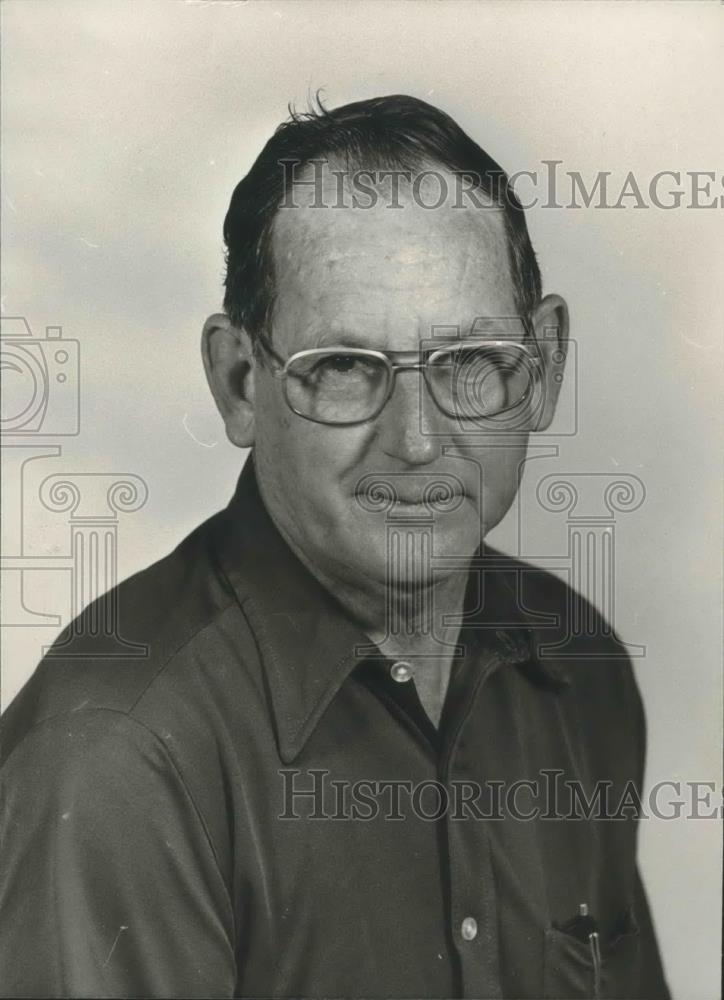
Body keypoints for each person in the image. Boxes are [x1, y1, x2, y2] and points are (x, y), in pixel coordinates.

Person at [0, 95, 669, 999]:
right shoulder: (116, 764)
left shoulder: (577, 664)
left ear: (541, 367)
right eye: (346, 368)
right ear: (240, 384)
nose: (420, 441)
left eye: (470, 359)